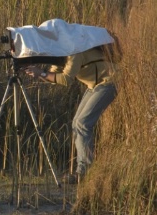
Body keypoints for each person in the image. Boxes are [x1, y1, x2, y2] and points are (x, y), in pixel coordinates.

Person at [24, 47, 117, 184]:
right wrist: (36, 72)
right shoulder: (60, 53)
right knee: (77, 123)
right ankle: (84, 169)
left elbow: (66, 80)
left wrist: (42, 73)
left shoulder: (74, 51)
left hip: (109, 82)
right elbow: (54, 77)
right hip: (95, 85)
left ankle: (84, 172)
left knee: (82, 123)